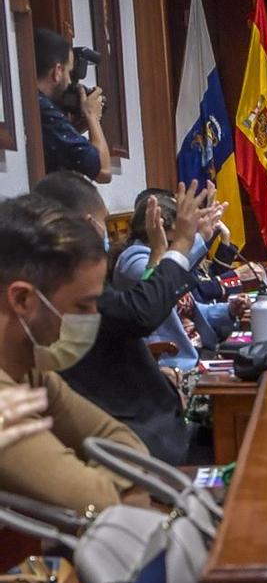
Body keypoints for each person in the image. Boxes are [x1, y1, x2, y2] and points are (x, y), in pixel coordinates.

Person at [28, 172, 213, 465]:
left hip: (132, 412)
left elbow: (129, 311)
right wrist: (182, 243)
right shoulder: (64, 283)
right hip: (139, 439)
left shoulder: (46, 276)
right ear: (89, 224)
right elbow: (140, 313)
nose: (106, 232)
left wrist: (160, 251)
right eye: (104, 222)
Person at [0, 195, 147, 512]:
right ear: (23, 300)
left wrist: (116, 490)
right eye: (83, 305)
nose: (95, 315)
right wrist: (124, 490)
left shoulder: (31, 370)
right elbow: (96, 502)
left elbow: (124, 440)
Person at [113, 184, 230, 371]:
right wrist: (200, 238)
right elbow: (163, 281)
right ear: (159, 229)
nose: (183, 241)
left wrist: (229, 310)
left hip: (200, 352)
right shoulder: (132, 261)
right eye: (180, 233)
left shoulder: (166, 258)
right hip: (172, 364)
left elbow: (189, 310)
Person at [33, 27, 111, 183]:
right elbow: (103, 171)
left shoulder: (29, 103)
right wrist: (92, 117)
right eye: (69, 72)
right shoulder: (42, 109)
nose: (70, 82)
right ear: (57, 71)